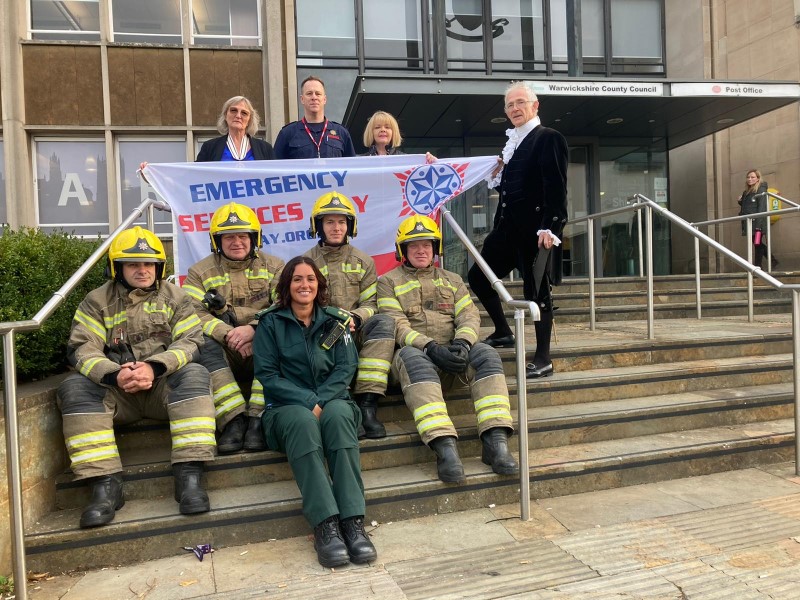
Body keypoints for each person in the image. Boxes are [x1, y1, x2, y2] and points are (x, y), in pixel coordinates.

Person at [56, 227, 216, 528]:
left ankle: (190, 476)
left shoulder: (177, 297)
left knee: (195, 373)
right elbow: (80, 347)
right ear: (117, 268)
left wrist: (154, 367)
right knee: (74, 386)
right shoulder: (96, 300)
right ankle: (104, 487)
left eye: (149, 264)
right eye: (133, 264)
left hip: (162, 390)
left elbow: (192, 341)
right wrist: (114, 375)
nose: (143, 270)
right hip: (118, 394)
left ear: (159, 267)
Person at [253, 256, 377, 568]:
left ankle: (353, 521)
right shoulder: (270, 323)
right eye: (297, 279)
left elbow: (347, 367)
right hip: (285, 409)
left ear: (319, 284)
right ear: (287, 286)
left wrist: (321, 400)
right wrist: (309, 402)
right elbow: (267, 375)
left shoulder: (336, 321)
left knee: (336, 417)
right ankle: (327, 525)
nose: (304, 285)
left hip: (334, 401)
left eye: (310, 279)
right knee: (303, 421)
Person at [377, 215, 518, 484]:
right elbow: (397, 325)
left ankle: (495, 441)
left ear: (435, 248)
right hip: (415, 360)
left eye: (427, 245)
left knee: (487, 353)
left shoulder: (453, 280)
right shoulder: (388, 282)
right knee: (409, 355)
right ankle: (444, 448)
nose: (421, 250)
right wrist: (429, 347)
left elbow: (469, 315)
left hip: (454, 356)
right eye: (414, 245)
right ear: (402, 250)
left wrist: (463, 344)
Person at [467, 81, 568, 380]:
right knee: (478, 277)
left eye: (520, 102)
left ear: (535, 106)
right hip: (507, 230)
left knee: (536, 291)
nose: (514, 109)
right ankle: (502, 330)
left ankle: (543, 357)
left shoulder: (548, 138)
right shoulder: (513, 144)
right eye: (510, 105)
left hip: (536, 231)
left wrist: (550, 228)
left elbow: (556, 188)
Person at [182, 202, 284, 454]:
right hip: (225, 348)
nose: (236, 242)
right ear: (217, 240)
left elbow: (284, 304)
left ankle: (257, 420)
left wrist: (254, 328)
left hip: (262, 342)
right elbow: (192, 312)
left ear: (253, 238)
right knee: (201, 344)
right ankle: (233, 420)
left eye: (242, 236)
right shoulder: (199, 272)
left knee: (275, 336)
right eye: (229, 237)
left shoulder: (275, 266)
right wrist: (227, 333)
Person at [303, 192, 395, 439]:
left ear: (350, 226)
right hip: (321, 334)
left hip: (356, 328)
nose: (336, 227)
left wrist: (355, 317)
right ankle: (341, 404)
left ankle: (367, 404)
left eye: (342, 222)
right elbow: (300, 303)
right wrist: (330, 319)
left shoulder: (363, 261)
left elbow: (372, 302)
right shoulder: (305, 263)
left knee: (385, 322)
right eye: (330, 222)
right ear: (318, 226)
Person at [273, 76, 356, 159]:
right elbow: (275, 167)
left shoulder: (341, 133)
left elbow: (352, 167)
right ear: (302, 99)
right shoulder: (287, 133)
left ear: (324, 99)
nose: (314, 97)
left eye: (318, 94)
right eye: (309, 94)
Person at [196, 96, 275, 161]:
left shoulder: (265, 148)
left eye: (244, 113)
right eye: (233, 110)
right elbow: (196, 175)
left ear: (249, 120)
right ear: (225, 116)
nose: (238, 116)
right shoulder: (209, 147)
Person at [737, 169, 774, 269]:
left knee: (757, 243)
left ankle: (758, 266)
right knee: (757, 243)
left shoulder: (760, 190)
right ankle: (773, 261)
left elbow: (761, 207)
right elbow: (748, 205)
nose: (750, 179)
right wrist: (740, 201)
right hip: (750, 223)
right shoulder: (747, 191)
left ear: (758, 178)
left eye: (752, 177)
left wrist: (758, 226)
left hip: (758, 223)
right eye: (748, 177)